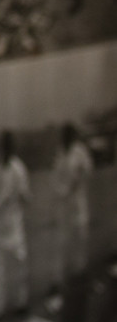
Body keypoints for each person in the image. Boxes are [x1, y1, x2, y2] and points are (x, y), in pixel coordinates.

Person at [0, 130, 32, 322]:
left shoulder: (18, 169)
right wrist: (1, 200)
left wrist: (23, 195)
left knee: (19, 267)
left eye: (10, 146)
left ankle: (21, 304)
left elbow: (27, 198)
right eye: (4, 146)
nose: (7, 150)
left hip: (15, 227)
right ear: (1, 147)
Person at [57, 123, 93, 288]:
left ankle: (82, 277)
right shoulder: (60, 154)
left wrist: (79, 174)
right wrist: (62, 190)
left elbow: (88, 170)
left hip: (78, 203)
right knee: (66, 242)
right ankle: (70, 279)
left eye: (68, 136)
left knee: (80, 241)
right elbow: (56, 178)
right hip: (65, 205)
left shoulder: (80, 152)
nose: (65, 140)